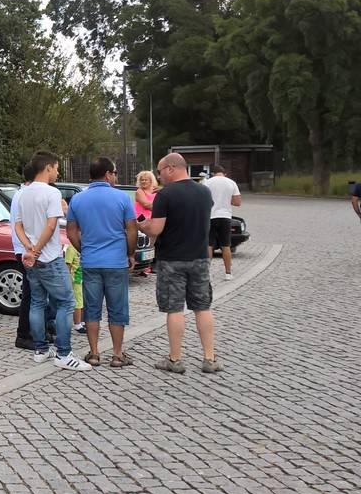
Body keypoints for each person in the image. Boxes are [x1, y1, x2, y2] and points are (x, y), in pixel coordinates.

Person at [138, 153, 224, 374]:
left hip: (172, 260)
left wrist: (142, 226)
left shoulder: (166, 195)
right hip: (200, 258)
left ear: (171, 168)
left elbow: (156, 229)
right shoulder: (204, 192)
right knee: (203, 307)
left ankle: (175, 359)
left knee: (175, 309)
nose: (158, 175)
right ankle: (209, 358)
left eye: (160, 171)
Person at [15, 152, 91, 371]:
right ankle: (64, 353)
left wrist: (28, 248)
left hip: (31, 259)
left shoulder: (22, 193)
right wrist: (37, 249)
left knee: (37, 302)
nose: (58, 172)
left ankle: (41, 349)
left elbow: (17, 225)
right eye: (57, 168)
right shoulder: (51, 192)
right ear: (48, 167)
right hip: (49, 257)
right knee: (66, 302)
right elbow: (51, 226)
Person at [66, 157, 136, 368]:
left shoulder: (78, 200)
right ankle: (117, 354)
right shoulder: (122, 198)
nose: (115, 176)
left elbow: (71, 232)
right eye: (114, 173)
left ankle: (94, 353)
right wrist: (130, 253)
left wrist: (84, 249)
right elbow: (132, 229)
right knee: (117, 309)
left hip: (91, 262)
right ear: (107, 174)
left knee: (92, 309)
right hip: (116, 262)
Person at [10, 164, 36, 349]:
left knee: (33, 294)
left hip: (24, 249)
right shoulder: (26, 195)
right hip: (26, 250)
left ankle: (32, 331)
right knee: (30, 295)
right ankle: (24, 334)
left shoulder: (21, 193)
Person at [203, 164, 241, 281]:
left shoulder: (207, 183)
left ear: (213, 173)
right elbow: (237, 202)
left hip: (210, 216)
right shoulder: (231, 183)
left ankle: (207, 273)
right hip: (225, 216)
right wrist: (226, 199)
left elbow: (202, 200)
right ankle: (228, 273)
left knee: (209, 245)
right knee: (226, 245)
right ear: (224, 173)